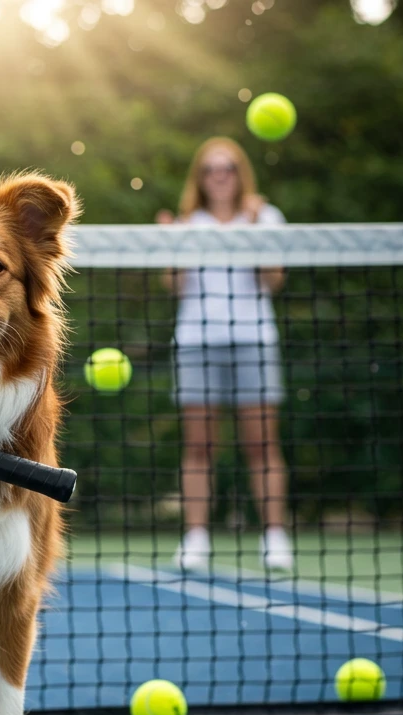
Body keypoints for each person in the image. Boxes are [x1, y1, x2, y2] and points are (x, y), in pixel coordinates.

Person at [157, 136, 294, 573]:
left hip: (254, 339)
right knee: (199, 446)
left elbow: (274, 280)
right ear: (201, 177)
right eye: (212, 168)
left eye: (228, 167)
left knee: (261, 443)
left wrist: (252, 234)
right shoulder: (187, 222)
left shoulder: (266, 217)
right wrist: (172, 245)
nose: (220, 175)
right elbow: (174, 285)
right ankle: (196, 539)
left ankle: (275, 537)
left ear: (239, 174)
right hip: (197, 341)